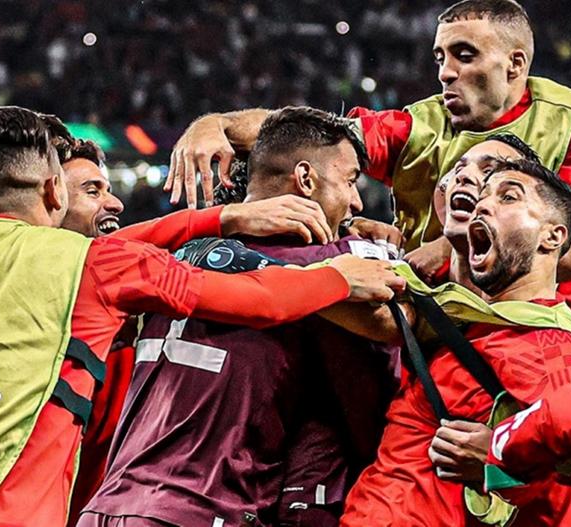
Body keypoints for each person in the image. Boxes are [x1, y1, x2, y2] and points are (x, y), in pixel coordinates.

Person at [0, 106, 403, 527]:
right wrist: (340, 277)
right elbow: (260, 300)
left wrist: (219, 219)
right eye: (89, 191)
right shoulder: (89, 269)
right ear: (53, 193)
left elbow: (96, 251)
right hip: (5, 514)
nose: (111, 203)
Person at [163, 1, 571, 522]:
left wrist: (441, 248)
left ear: (515, 64)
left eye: (464, 55)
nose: (446, 72)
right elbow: (318, 142)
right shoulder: (420, 126)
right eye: (440, 58)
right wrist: (217, 125)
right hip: (437, 356)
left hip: (552, 354)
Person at [81, 107, 399, 527]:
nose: (356, 202)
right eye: (350, 181)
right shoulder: (327, 263)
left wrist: (217, 136)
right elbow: (393, 340)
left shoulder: (168, 257)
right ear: (305, 180)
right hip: (202, 511)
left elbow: (84, 257)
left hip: (107, 506)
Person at [341, 156, 571, 526]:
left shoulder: (550, 341)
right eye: (484, 195)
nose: (483, 203)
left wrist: (498, 455)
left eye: (508, 197)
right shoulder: (471, 319)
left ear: (552, 236)